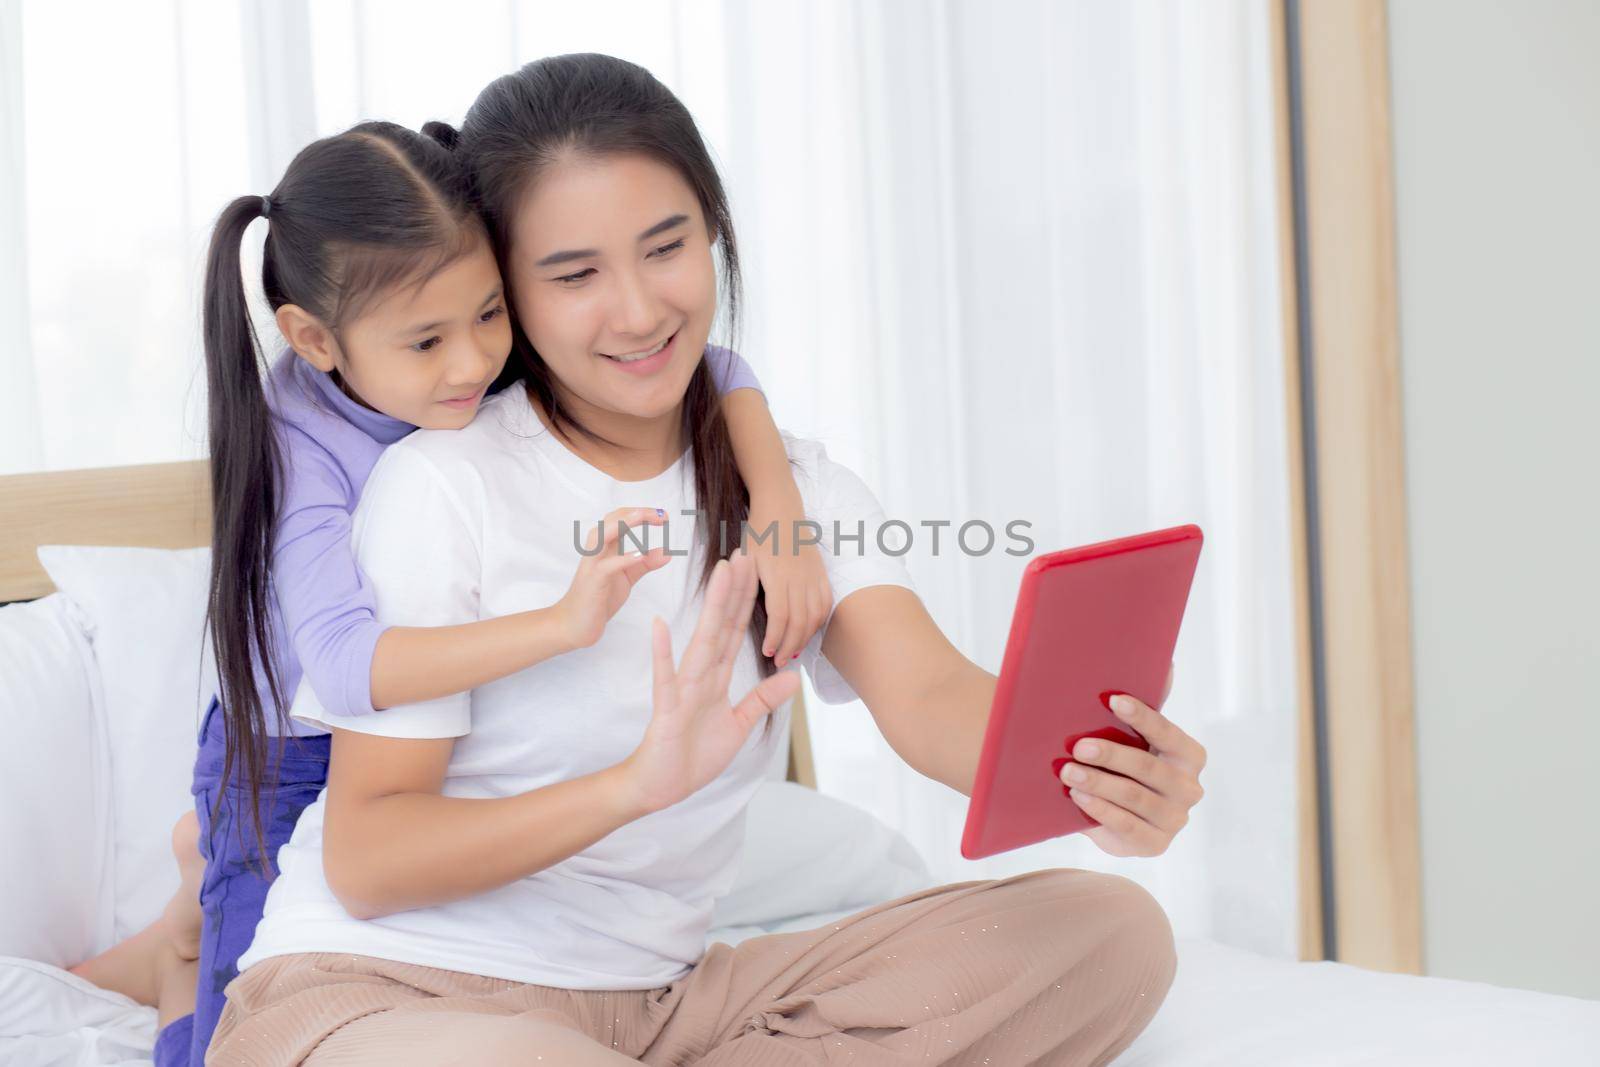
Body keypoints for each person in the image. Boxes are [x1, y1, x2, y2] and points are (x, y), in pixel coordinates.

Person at [204, 55, 1206, 1065]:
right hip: (389, 997)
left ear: (713, 233)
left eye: (666, 246)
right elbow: (370, 858)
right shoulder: (442, 482)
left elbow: (931, 692)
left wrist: (1094, 775)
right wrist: (631, 786)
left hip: (662, 1009)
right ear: (506, 287)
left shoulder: (791, 490)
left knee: (1107, 933)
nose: (638, 312)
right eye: (573, 274)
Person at [68, 118, 829, 1067]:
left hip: (419, 744)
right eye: (428, 340)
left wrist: (782, 507)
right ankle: (185, 940)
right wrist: (556, 625)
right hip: (295, 748)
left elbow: (710, 370)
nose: (473, 362)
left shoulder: (466, 357)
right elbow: (346, 668)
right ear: (314, 339)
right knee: (224, 1037)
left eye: (489, 315)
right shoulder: (300, 447)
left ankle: (194, 886)